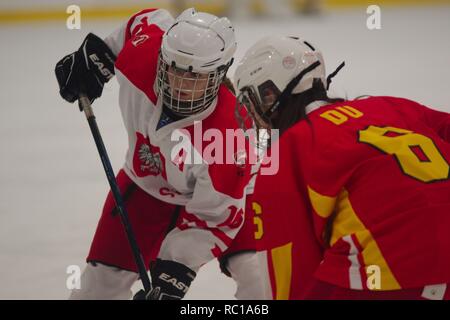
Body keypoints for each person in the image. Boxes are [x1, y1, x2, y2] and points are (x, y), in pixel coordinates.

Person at [55, 7, 264, 300]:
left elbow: (215, 216)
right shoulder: (143, 56)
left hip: (229, 199)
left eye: (193, 79)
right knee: (96, 290)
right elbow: (146, 20)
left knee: (259, 280)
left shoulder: (230, 138)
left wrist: (173, 273)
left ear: (218, 75)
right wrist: (97, 55)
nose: (179, 86)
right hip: (146, 186)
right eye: (173, 70)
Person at [234, 35, 450, 299]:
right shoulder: (393, 106)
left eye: (252, 103)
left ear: (270, 95)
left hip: (386, 280)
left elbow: (289, 278)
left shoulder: (289, 151)